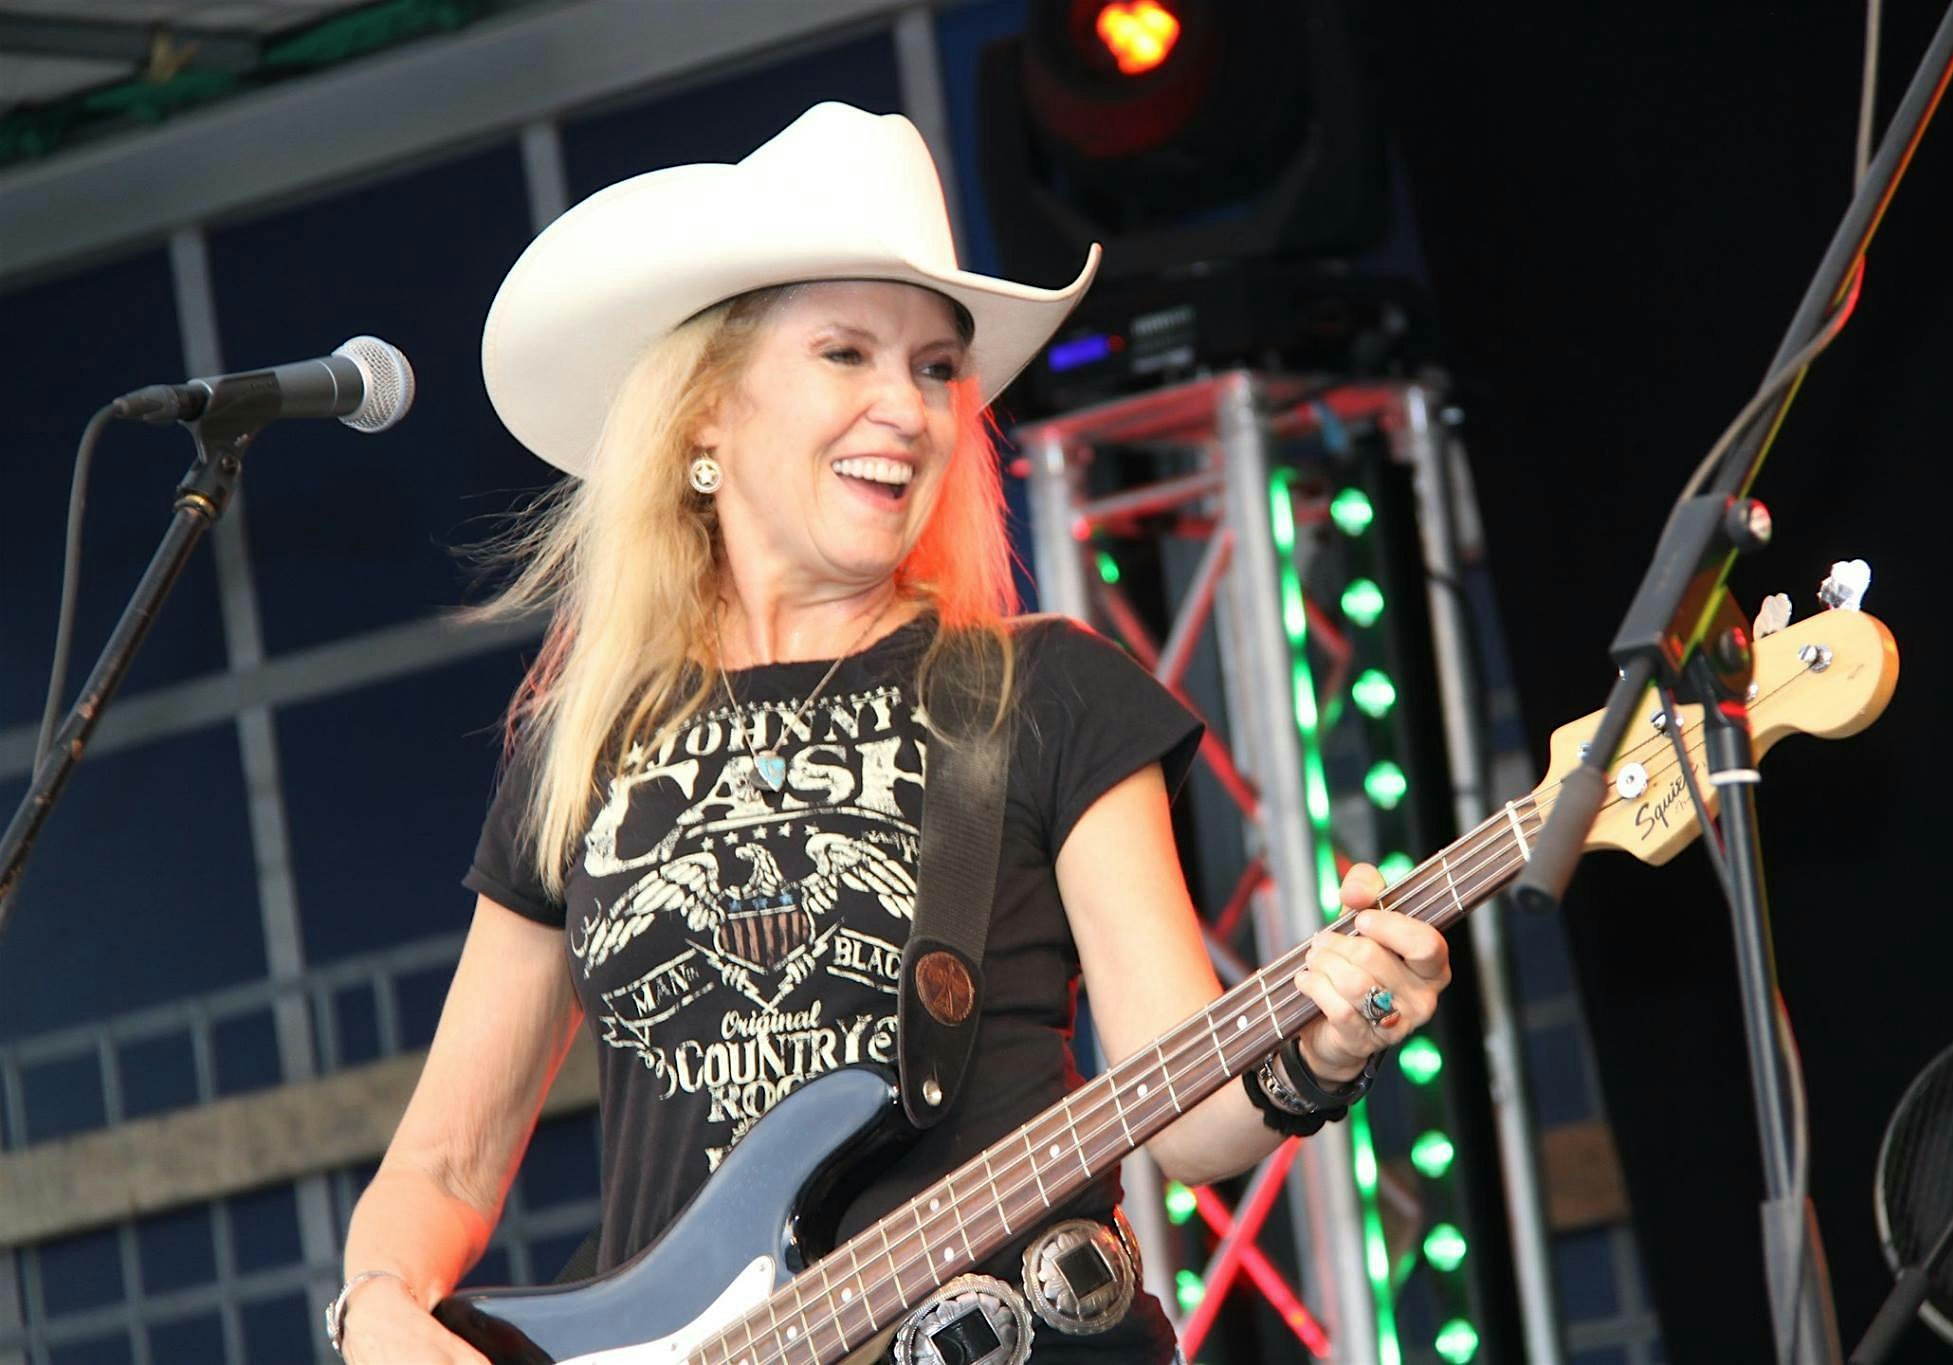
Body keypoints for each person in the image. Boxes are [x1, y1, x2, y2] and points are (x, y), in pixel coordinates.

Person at [330, 102, 1451, 1364]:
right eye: (845, 354)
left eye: (933, 368)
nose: (907, 410)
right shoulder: (587, 742)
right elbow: (446, 1160)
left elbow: (1182, 1108)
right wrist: (376, 1308)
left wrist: (1322, 1046)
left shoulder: (1043, 691)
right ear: (704, 413)